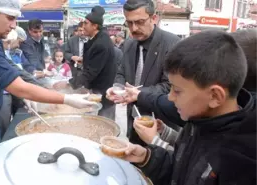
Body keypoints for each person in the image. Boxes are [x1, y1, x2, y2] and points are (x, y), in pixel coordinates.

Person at [0, 0, 96, 156]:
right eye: (10, 18)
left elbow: (13, 69)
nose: (14, 25)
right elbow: (18, 86)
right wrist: (67, 99)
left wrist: (40, 89)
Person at [121, 31, 257, 185]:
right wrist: (147, 157)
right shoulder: (197, 122)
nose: (171, 97)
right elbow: (181, 169)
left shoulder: (241, 161)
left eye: (177, 91)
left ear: (215, 96)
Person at [105, 0, 181, 144]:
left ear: (154, 18)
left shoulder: (172, 44)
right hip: (134, 121)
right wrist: (117, 88)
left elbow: (170, 86)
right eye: (129, 23)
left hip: (160, 125)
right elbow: (121, 73)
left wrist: (138, 94)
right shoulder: (129, 43)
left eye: (139, 22)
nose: (134, 28)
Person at [55, 6, 117, 120]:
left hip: (102, 91)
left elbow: (90, 72)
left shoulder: (101, 43)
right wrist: (85, 59)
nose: (83, 26)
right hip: (97, 88)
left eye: (86, 23)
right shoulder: (97, 38)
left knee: (102, 121)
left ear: (95, 26)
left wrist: (69, 84)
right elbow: (95, 60)